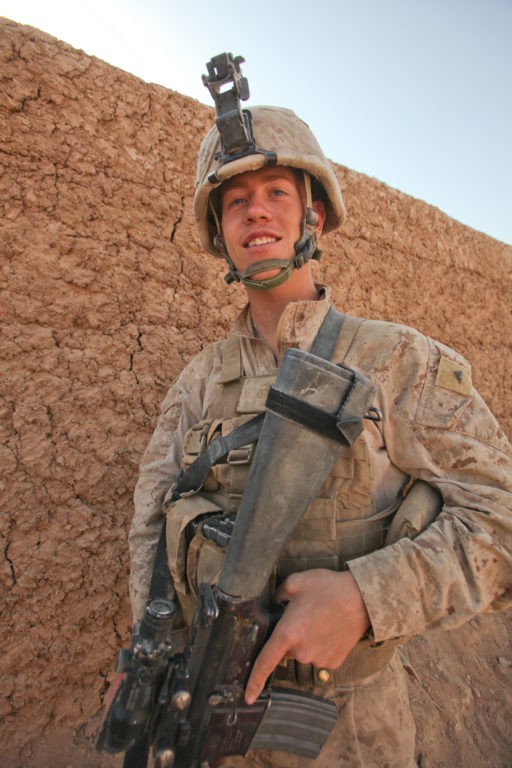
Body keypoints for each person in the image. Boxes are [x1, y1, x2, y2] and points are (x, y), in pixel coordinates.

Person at [128, 98, 512, 768]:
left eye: (278, 191)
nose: (256, 211)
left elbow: (502, 515)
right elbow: (149, 531)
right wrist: (146, 664)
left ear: (315, 215)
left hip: (351, 735)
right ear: (219, 233)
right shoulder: (199, 382)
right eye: (235, 200)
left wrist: (369, 596)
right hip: (206, 715)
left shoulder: (397, 361)